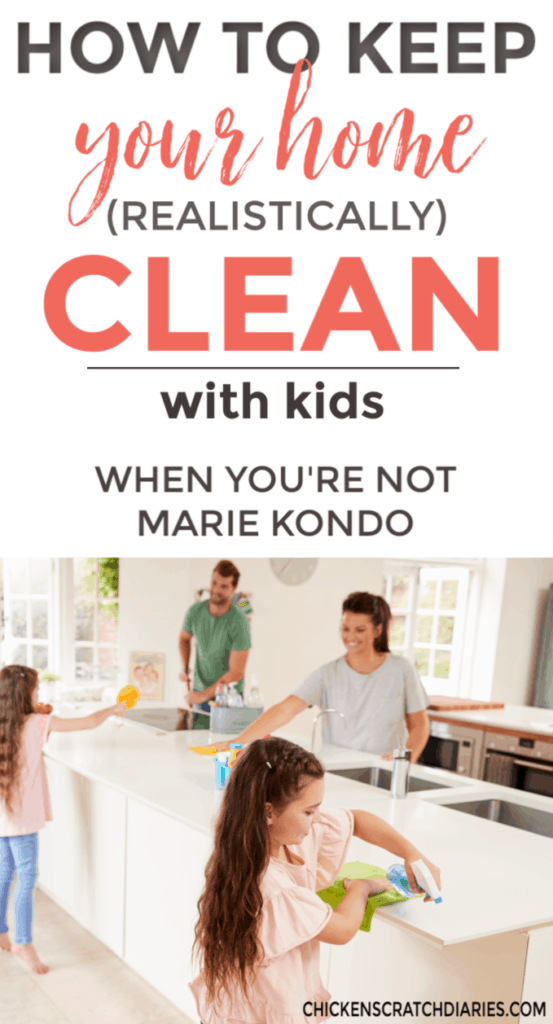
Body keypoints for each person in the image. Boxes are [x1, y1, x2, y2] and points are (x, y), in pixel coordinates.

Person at [191, 736, 440, 1024]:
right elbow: (343, 930)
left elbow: (356, 821)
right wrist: (361, 887)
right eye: (309, 811)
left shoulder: (274, 838)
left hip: (253, 1002)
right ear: (269, 811)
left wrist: (412, 853)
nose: (318, 818)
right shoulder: (273, 887)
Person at [0, 664, 127, 974]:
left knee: (5, 870)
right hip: (22, 819)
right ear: (25, 694)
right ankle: (23, 942)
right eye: (36, 690)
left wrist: (38, 710)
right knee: (26, 878)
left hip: (3, 815)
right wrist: (115, 707)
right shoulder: (36, 723)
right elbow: (89, 722)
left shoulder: (12, 722)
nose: (39, 694)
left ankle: (2, 931)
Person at [215, 592, 430, 761]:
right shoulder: (328, 674)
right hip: (337, 771)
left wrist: (403, 761)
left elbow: (419, 726)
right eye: (346, 629)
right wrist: (238, 742)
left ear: (377, 630)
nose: (350, 637)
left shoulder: (402, 670)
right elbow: (286, 709)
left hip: (382, 771)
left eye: (360, 630)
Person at [179, 560, 251, 730]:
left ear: (233, 590)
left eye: (224, 586)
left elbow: (236, 673)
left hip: (229, 697)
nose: (216, 590)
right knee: (198, 746)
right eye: (214, 583)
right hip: (200, 691)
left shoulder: (239, 622)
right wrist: (185, 666)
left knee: (228, 748)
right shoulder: (195, 612)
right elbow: (184, 638)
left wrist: (202, 696)